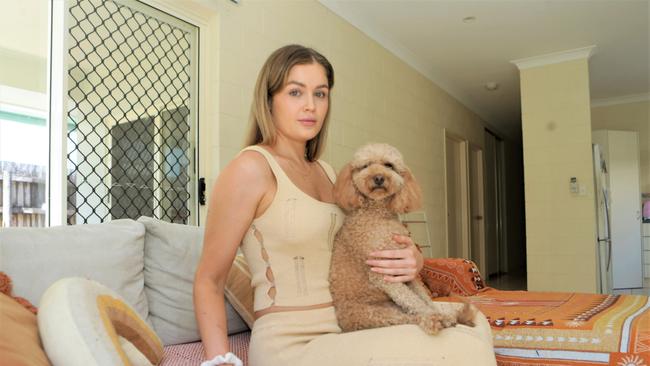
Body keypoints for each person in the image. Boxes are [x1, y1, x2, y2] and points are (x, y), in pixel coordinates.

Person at [193, 44, 496, 366]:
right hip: (292, 343)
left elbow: (364, 238)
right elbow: (208, 279)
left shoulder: (325, 171)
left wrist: (414, 259)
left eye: (320, 94)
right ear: (269, 100)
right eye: (295, 92)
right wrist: (219, 361)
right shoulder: (251, 168)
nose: (311, 106)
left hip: (348, 324)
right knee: (466, 351)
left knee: (473, 319)